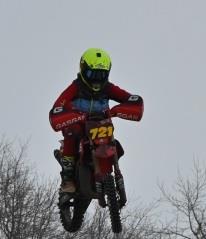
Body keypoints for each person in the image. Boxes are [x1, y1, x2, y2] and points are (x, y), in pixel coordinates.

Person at [48, 48, 144, 202]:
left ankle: (112, 172)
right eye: (92, 74)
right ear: (83, 69)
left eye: (101, 75)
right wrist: (69, 113)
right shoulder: (75, 87)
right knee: (72, 134)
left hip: (101, 125)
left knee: (114, 141)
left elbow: (131, 99)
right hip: (78, 125)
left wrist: (118, 110)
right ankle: (68, 180)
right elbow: (58, 106)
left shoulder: (108, 88)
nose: (96, 79)